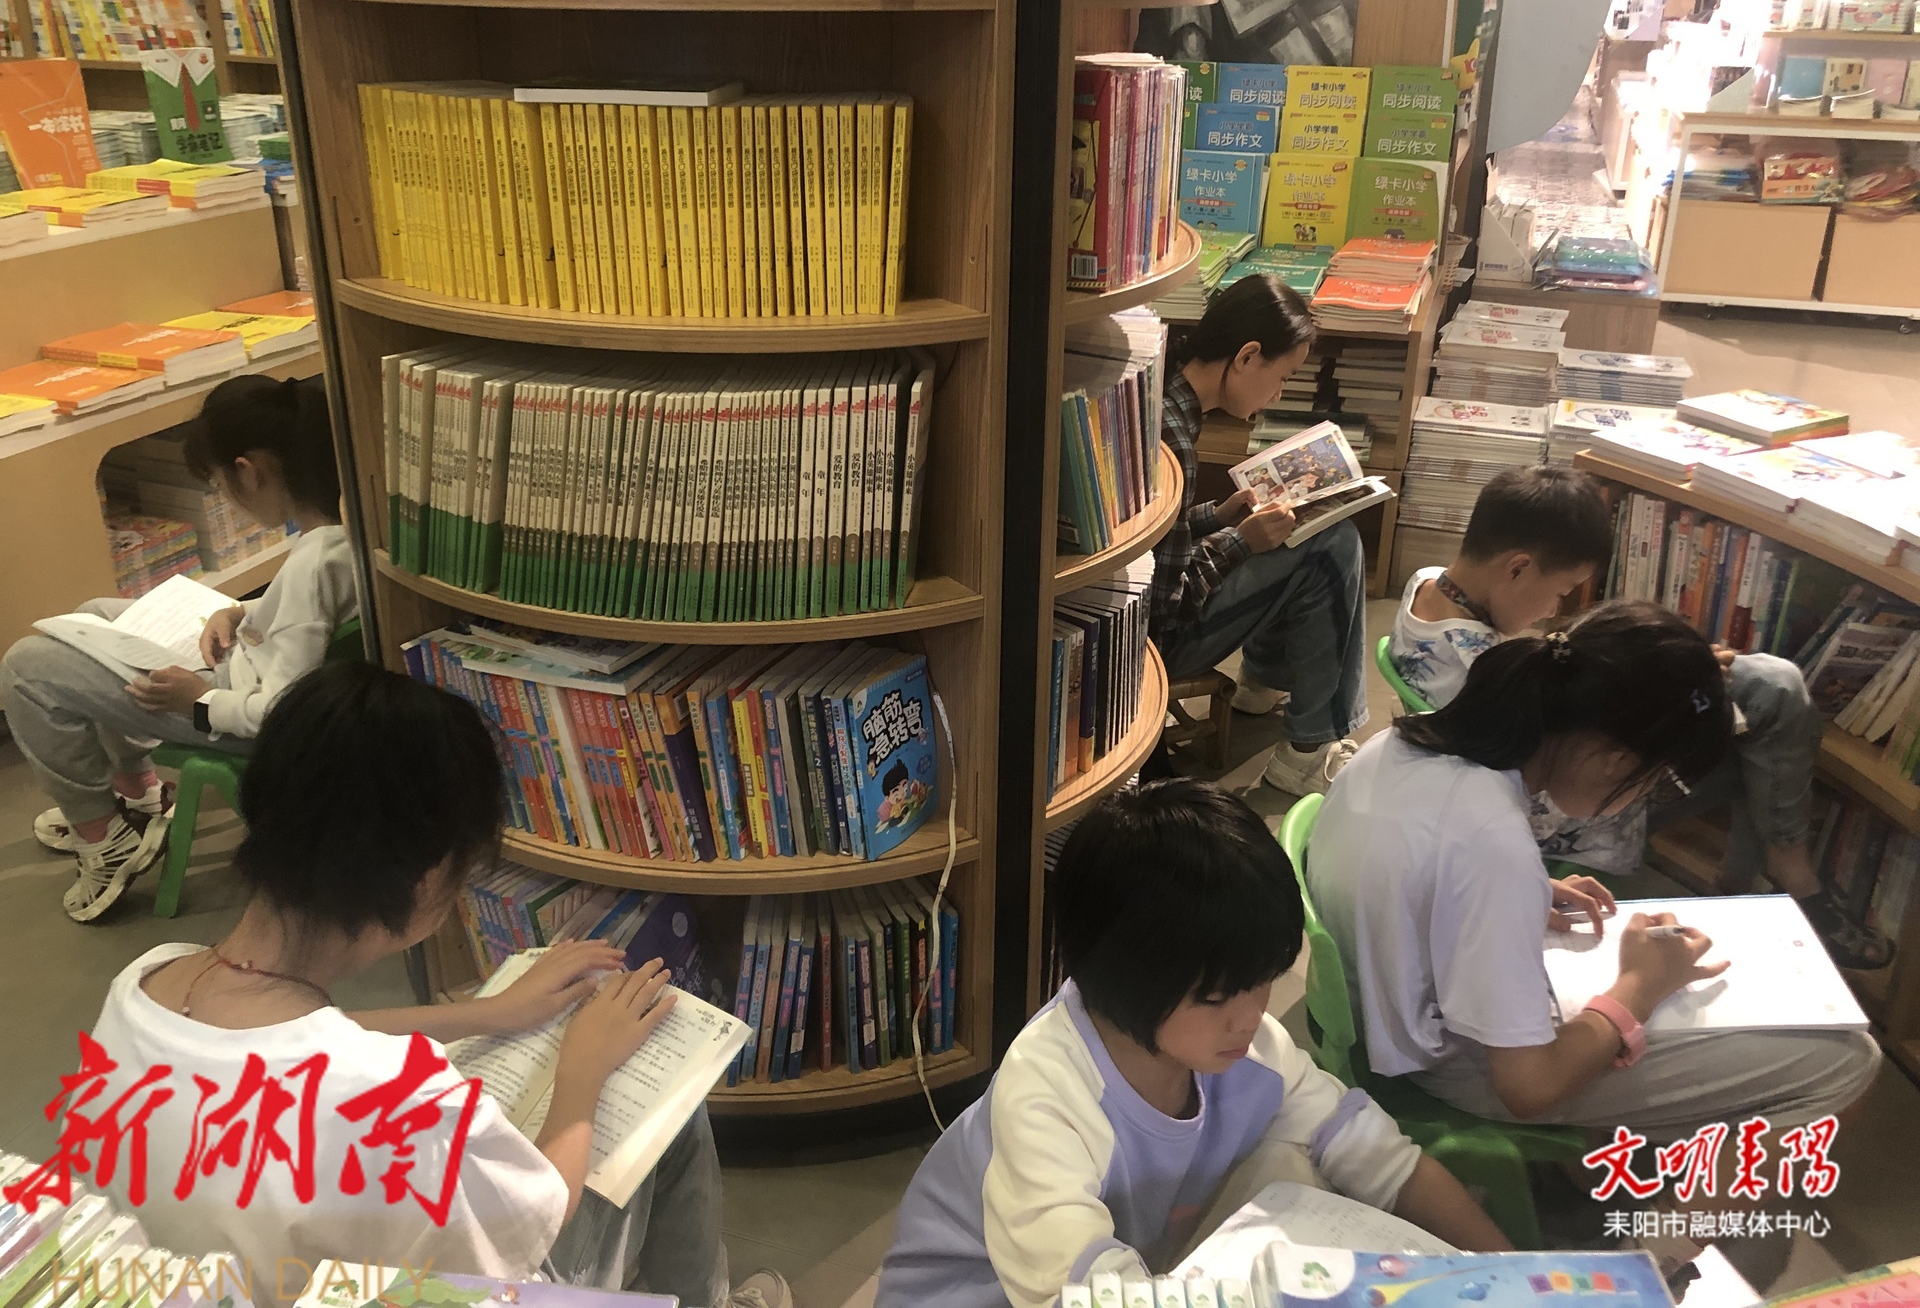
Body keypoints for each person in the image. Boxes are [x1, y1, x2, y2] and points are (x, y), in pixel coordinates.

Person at [69, 660, 789, 1307]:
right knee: (667, 1108)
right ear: (431, 875)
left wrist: (486, 1014)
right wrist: (584, 1069)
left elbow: (281, 1049)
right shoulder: (393, 1101)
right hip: (441, 1290)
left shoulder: (149, 981)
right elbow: (542, 1213)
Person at [876, 779, 1508, 1308]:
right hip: (978, 1294)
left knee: (1301, 1166)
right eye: (1215, 996)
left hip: (1123, 1270)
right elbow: (1082, 1295)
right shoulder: (1046, 1099)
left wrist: (1514, 1279)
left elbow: (1384, 1161)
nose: (1250, 1017)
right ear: (1123, 972)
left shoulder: (1246, 1050)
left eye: (1262, 981)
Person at [1310, 600, 1880, 1144]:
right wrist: (1641, 986)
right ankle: (1672, 1221)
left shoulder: (1406, 739)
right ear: (1617, 761)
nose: (1644, 795)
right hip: (1454, 1065)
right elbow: (1529, 1087)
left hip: (1386, 1012)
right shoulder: (1491, 842)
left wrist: (1524, 894)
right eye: (1654, 780)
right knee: (1848, 1063)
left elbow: (1417, 865)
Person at [1387, 463, 1889, 969]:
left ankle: (1760, 881)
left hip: (1559, 765)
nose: (1554, 608)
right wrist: (1672, 686)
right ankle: (1788, 877)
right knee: (1771, 705)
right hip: (1569, 809)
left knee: (1761, 718)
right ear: (1517, 569)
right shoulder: (1478, 670)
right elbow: (1558, 774)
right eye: (1562, 590)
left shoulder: (1429, 586)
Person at [1, 375, 358, 922]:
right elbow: (304, 623)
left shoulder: (313, 566)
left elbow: (283, 712)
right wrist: (240, 611)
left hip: (231, 713)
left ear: (249, 471)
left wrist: (198, 700)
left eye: (219, 483)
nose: (226, 497)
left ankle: (101, 836)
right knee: (95, 613)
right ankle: (138, 791)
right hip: (239, 672)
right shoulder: (339, 537)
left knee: (25, 669)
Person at [1153, 276, 1368, 796]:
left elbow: (1159, 538)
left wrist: (1219, 516)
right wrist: (1242, 541)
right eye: (1283, 376)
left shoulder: (1166, 398)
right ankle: (1309, 749)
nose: (1280, 393)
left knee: (1300, 533)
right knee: (1333, 545)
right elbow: (1165, 603)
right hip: (1156, 646)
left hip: (1138, 622)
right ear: (1247, 356)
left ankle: (1264, 680)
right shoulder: (1171, 436)